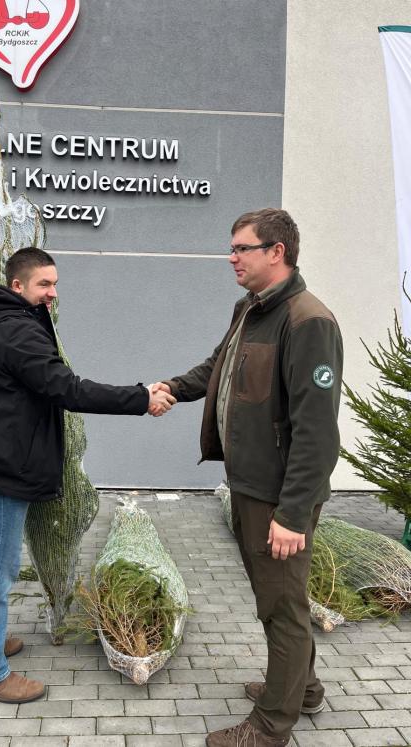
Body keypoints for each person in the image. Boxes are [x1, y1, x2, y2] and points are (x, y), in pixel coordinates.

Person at [0, 247, 175, 704]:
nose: (53, 293)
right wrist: (141, 398)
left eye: (55, 283)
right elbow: (67, 389)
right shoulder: (17, 331)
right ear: (17, 285)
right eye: (44, 284)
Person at [153, 209, 343, 747]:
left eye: (242, 248)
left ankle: (269, 726)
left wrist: (293, 513)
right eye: (232, 247)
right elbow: (219, 367)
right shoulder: (251, 310)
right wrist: (170, 388)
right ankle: (303, 690)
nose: (231, 257)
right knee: (279, 600)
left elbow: (317, 433)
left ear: (276, 252)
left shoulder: (307, 322)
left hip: (278, 497)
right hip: (249, 486)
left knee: (281, 608)